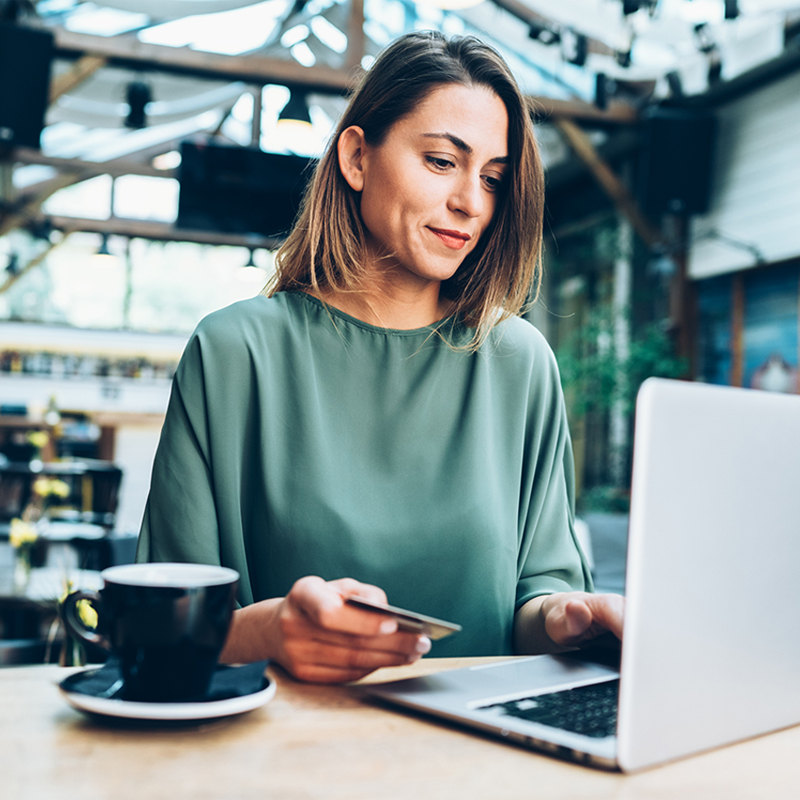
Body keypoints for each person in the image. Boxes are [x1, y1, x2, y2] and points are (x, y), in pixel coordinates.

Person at [137, 31, 624, 684]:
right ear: (358, 157)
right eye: (442, 162)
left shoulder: (520, 363)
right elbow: (157, 626)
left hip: (480, 767)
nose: (471, 203)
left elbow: (538, 593)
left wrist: (569, 615)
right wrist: (266, 631)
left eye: (492, 178)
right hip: (278, 766)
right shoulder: (233, 354)